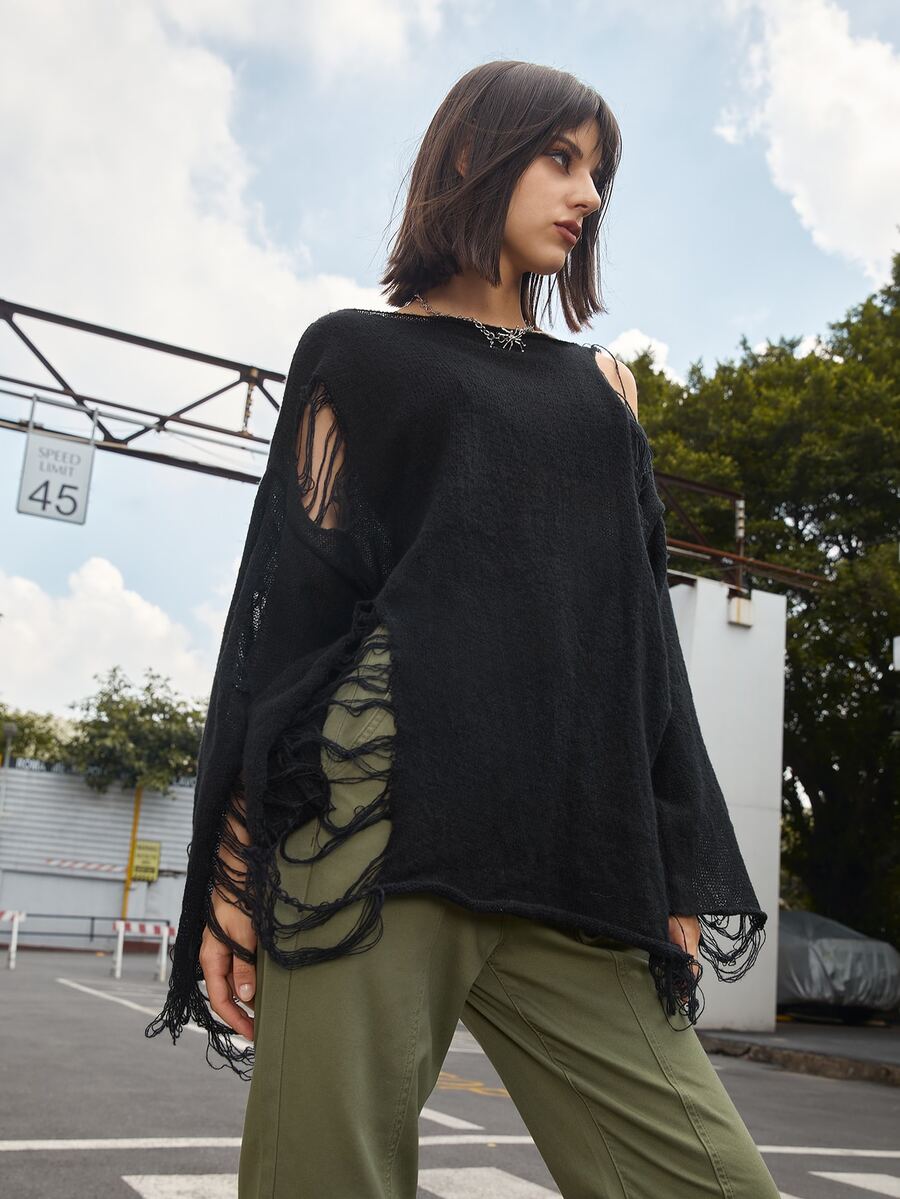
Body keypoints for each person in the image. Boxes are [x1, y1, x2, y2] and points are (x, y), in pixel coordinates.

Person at [146, 60, 780, 1198]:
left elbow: (643, 637)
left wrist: (674, 859)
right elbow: (292, 623)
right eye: (561, 158)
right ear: (469, 155)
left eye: (599, 173)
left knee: (712, 1178)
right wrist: (235, 867)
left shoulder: (604, 388)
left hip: (576, 846)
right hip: (372, 827)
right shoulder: (355, 353)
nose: (588, 195)